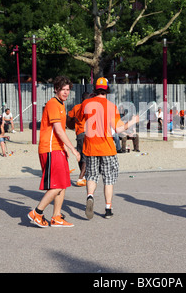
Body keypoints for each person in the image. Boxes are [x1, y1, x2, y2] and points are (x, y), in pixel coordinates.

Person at [77, 77, 139, 219]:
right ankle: (108, 208)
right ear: (107, 90)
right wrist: (132, 121)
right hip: (107, 147)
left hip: (90, 146)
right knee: (108, 179)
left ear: (95, 89)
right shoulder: (111, 106)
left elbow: (79, 119)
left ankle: (90, 196)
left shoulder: (86, 103)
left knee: (91, 176)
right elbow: (118, 129)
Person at [27, 76, 80, 228]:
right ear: (56, 89)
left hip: (57, 147)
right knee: (56, 184)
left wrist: (64, 147)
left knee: (63, 183)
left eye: (68, 89)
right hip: (50, 149)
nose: (65, 92)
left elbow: (59, 131)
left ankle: (56, 216)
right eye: (62, 89)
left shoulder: (61, 104)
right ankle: (37, 212)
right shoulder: (52, 104)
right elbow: (57, 129)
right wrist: (72, 148)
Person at [67, 92, 90, 186]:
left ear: (81, 98)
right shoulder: (91, 108)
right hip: (89, 133)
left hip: (79, 134)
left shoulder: (76, 107)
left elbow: (68, 119)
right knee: (86, 156)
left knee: (80, 156)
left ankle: (83, 175)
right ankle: (81, 176)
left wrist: (73, 121)